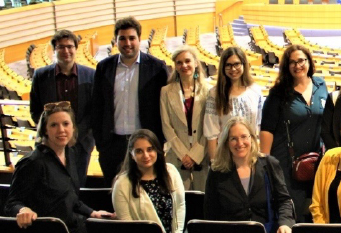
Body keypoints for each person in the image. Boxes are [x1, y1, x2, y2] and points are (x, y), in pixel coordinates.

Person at [5, 102, 113, 233]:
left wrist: (93, 213)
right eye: (54, 125)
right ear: (45, 130)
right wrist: (23, 210)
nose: (61, 130)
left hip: (73, 228)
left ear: (73, 127)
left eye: (65, 124)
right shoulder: (33, 163)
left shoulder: (70, 153)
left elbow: (71, 198)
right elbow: (12, 203)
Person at [91, 17, 169, 186]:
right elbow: (97, 107)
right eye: (123, 38)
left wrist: (159, 142)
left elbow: (165, 107)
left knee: (147, 192)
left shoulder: (157, 68)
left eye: (132, 38)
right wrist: (101, 143)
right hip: (112, 145)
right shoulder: (104, 67)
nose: (128, 43)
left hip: (146, 146)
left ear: (139, 39)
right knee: (115, 194)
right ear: (115, 41)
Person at [260, 44, 328, 222]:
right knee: (291, 213)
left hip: (315, 161)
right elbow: (267, 129)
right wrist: (265, 164)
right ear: (286, 66)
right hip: (286, 164)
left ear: (309, 62)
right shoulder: (278, 93)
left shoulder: (320, 85)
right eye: (292, 62)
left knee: (316, 211)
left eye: (301, 61)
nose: (298, 66)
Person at [204, 117, 294, 233]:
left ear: (252, 138)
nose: (240, 143)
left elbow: (284, 201)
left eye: (244, 137)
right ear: (226, 143)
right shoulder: (216, 172)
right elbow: (210, 214)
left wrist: (285, 224)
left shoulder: (269, 164)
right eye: (233, 139)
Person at [29, 29, 95, 187]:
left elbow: (94, 111)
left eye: (70, 46)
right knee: (52, 186)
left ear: (76, 49)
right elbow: (35, 109)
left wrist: (74, 135)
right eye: (61, 47)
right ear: (54, 50)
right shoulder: (41, 75)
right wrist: (51, 134)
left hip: (81, 143)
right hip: (50, 144)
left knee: (77, 186)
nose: (66, 51)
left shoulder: (91, 75)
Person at [112, 129, 185, 233]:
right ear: (131, 154)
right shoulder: (122, 184)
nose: (146, 155)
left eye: (150, 149)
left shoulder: (171, 172)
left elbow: (180, 207)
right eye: (139, 151)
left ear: (157, 150)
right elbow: (128, 228)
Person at [159, 46, 209, 190]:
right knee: (179, 201)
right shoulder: (166, 91)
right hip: (176, 155)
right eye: (179, 63)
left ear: (195, 63)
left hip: (202, 155)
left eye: (187, 61)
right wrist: (183, 155)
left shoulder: (208, 91)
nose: (184, 65)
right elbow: (166, 126)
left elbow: (210, 126)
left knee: (202, 200)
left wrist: (195, 155)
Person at [204, 46, 264, 160]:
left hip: (251, 154)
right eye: (228, 65)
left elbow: (260, 125)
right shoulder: (214, 94)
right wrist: (214, 164)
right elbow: (211, 134)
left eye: (237, 64)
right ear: (223, 67)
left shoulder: (255, 90)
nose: (233, 69)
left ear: (243, 64)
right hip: (226, 156)